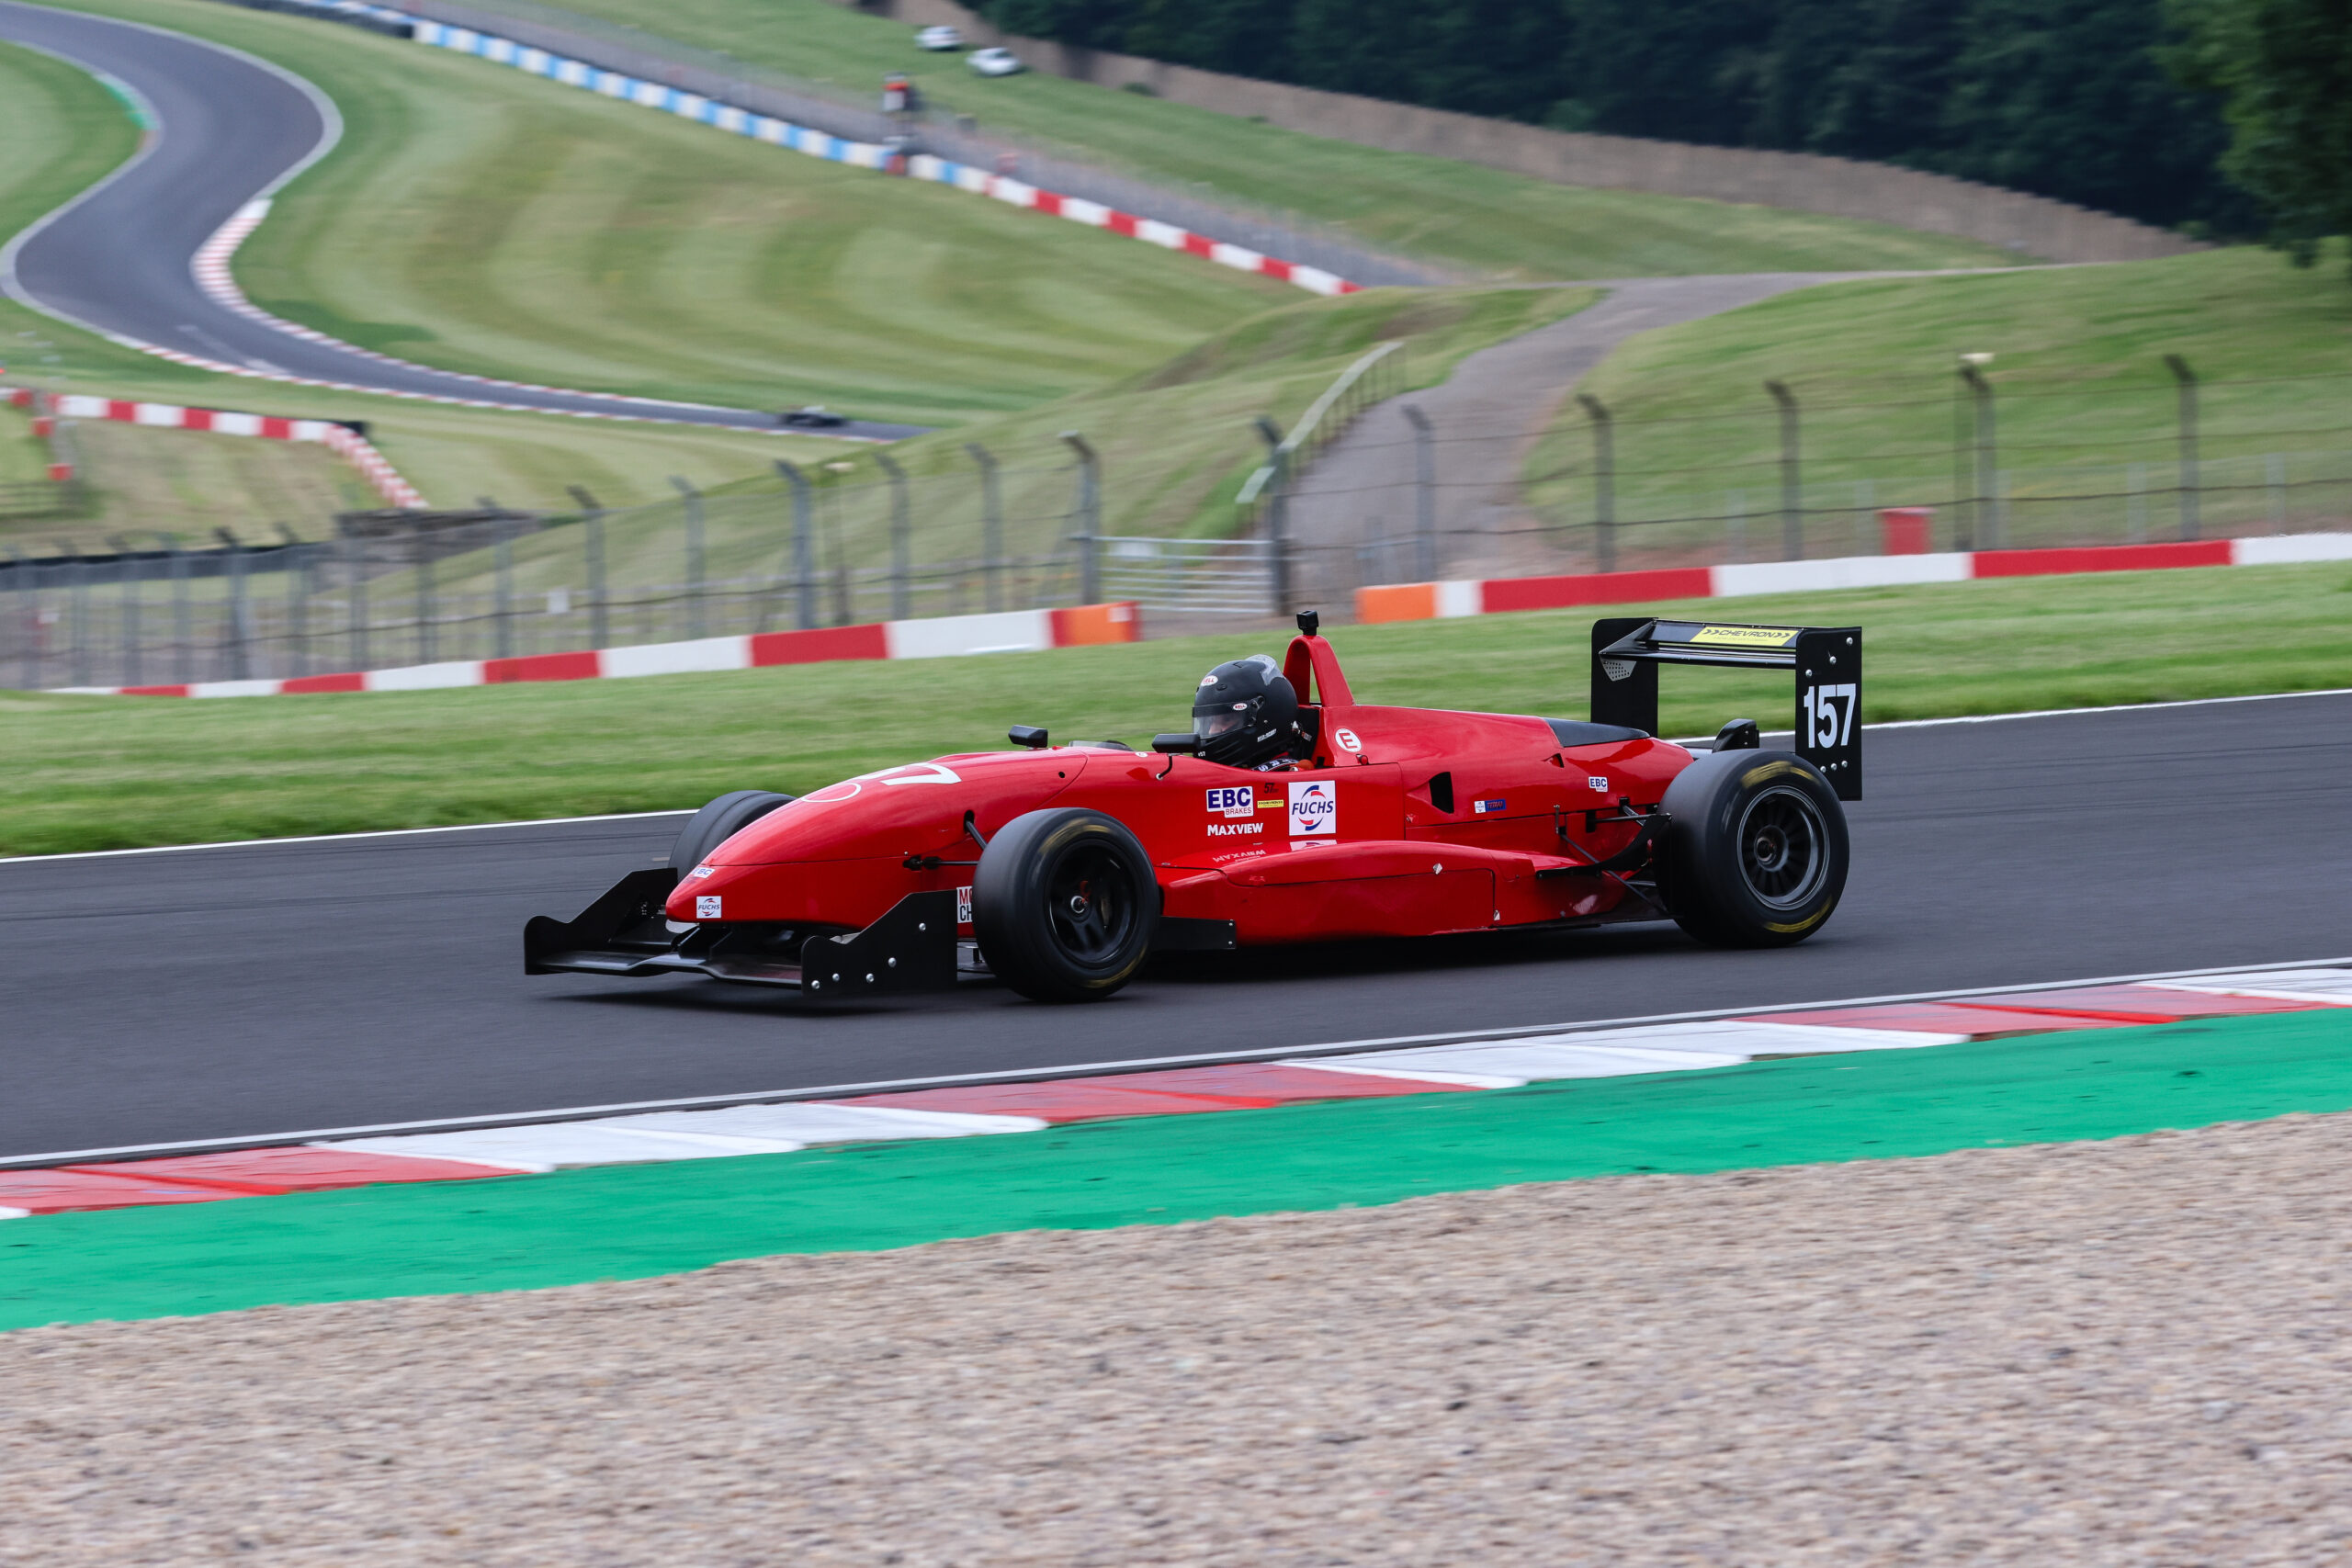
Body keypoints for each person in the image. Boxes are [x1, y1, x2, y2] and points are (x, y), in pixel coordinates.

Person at [1193, 655, 1311, 769]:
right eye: (1209, 722)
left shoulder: (1290, 775)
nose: (1212, 731)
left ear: (1266, 719)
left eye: (1226, 720)